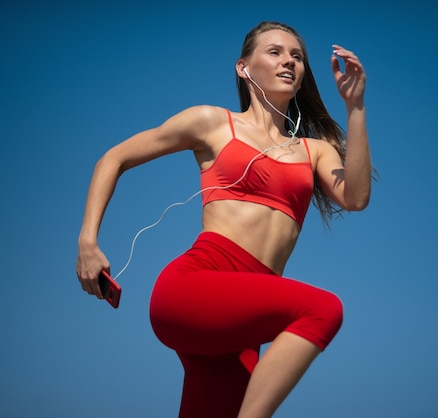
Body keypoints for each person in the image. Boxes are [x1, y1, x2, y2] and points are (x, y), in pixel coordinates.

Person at [76, 20, 372, 418]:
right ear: (243, 67)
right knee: (322, 309)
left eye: (297, 56)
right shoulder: (213, 122)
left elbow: (355, 198)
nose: (290, 61)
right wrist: (87, 243)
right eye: (276, 52)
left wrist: (355, 108)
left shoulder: (314, 150)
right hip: (194, 286)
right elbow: (114, 158)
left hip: (241, 325)